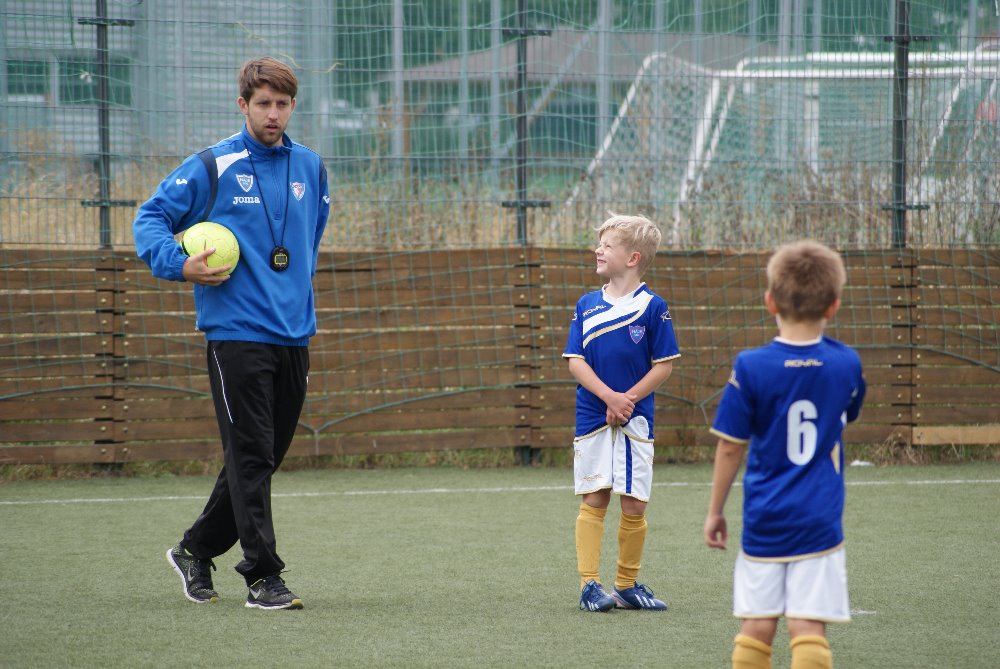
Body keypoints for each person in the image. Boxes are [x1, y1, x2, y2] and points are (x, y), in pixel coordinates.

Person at [133, 57, 330, 610]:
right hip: (236, 332)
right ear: (243, 105)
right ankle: (263, 576)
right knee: (250, 453)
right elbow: (150, 218)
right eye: (263, 104)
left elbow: (309, 240)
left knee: (262, 455)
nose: (273, 114)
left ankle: (194, 550)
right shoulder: (212, 165)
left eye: (282, 104)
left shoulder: (311, 167)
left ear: (293, 106)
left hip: (294, 334)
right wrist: (179, 263)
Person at [704, 240, 866, 668]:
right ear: (833, 305)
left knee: (757, 626)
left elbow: (730, 446)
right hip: (819, 519)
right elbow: (848, 412)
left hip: (765, 517)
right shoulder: (847, 364)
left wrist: (715, 511)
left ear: (770, 301)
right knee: (808, 626)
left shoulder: (751, 365)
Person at [563, 213, 680, 612]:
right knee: (595, 496)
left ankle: (626, 586)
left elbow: (663, 366)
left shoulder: (653, 307)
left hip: (636, 418)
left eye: (607, 245)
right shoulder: (586, 305)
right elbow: (575, 361)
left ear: (632, 258)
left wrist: (626, 399)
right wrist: (609, 397)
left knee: (635, 503)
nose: (598, 250)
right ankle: (589, 586)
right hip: (593, 416)